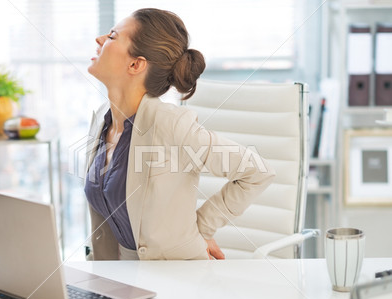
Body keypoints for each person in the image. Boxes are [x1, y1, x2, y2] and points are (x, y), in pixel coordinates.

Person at [84, 8, 275, 261]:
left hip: (178, 277)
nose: (99, 39)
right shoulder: (101, 119)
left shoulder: (170, 125)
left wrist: (203, 228)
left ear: (136, 64)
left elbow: (257, 172)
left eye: (111, 36)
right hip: (123, 276)